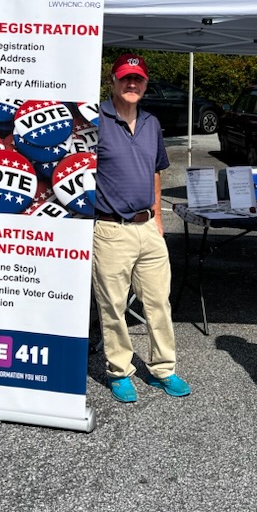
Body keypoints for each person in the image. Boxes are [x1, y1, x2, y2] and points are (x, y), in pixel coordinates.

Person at [91, 53, 191, 403]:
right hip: (110, 229)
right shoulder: (94, 120)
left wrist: (159, 216)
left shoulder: (151, 123)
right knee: (113, 305)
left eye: (138, 79)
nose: (131, 84)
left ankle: (164, 369)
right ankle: (119, 370)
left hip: (148, 228)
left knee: (158, 302)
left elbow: (155, 170)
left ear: (146, 84)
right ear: (113, 81)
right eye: (125, 78)